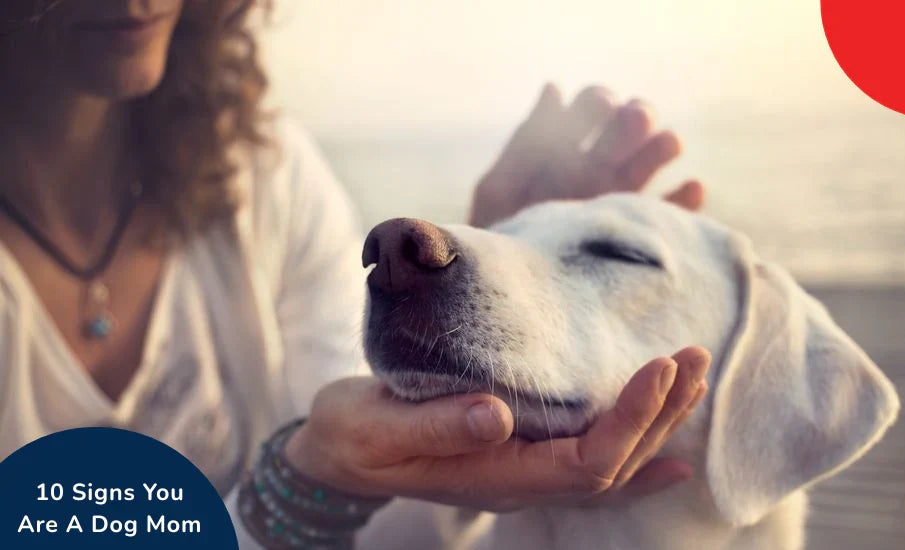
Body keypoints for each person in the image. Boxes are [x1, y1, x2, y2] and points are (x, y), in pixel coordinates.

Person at [0, 1, 710, 548]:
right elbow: (330, 477)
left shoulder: (258, 173)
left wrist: (504, 282)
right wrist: (297, 483)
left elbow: (382, 526)